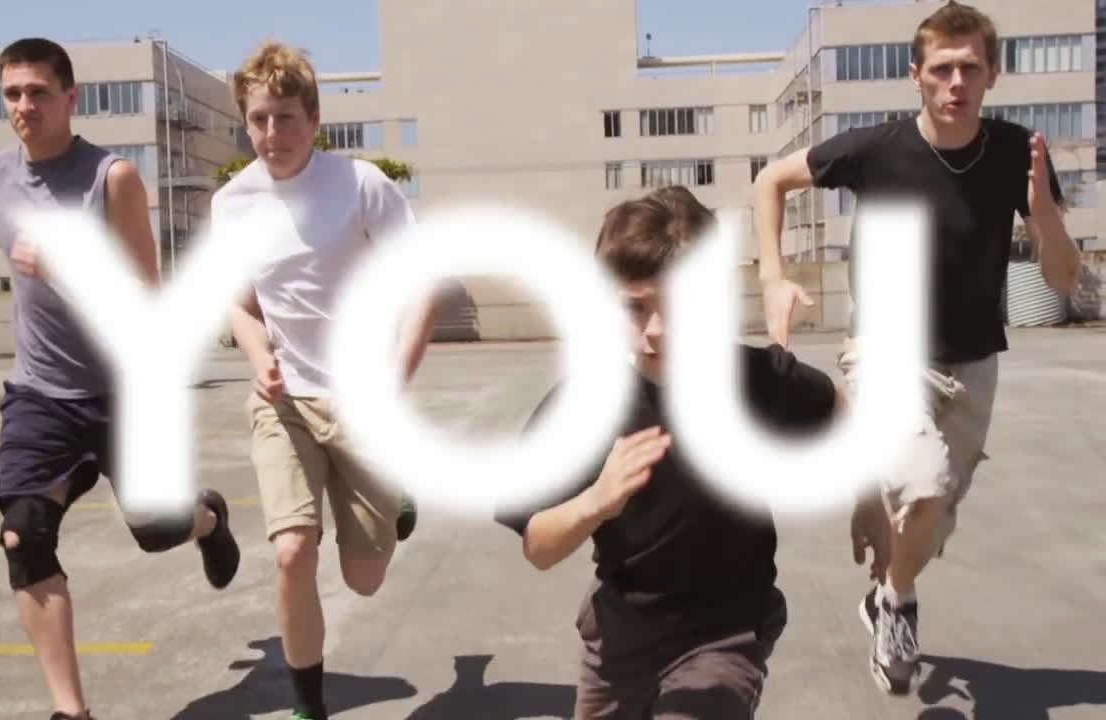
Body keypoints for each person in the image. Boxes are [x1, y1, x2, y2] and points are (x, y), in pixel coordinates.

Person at [751, 1, 1079, 696]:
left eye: (970, 68)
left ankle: (885, 591)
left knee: (930, 521)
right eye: (942, 69)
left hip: (974, 362)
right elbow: (769, 180)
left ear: (992, 74)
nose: (956, 82)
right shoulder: (876, 149)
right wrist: (773, 276)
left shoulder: (1018, 153)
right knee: (924, 483)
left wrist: (1046, 216)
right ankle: (899, 603)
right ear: (916, 75)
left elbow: (1062, 279)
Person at [495, 186, 843, 718]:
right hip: (619, 642)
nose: (656, 330)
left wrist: (872, 504)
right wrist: (595, 501)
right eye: (635, 307)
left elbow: (842, 407)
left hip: (725, 633)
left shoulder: (755, 380)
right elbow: (537, 546)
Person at [0, 38, 242, 720]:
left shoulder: (112, 178)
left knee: (157, 530)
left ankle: (207, 517)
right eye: (12, 93)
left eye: (39, 92)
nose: (24, 105)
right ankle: (71, 711)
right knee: (23, 534)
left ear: (71, 97)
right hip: (40, 394)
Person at [214, 40, 436, 720]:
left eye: (285, 118)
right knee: (291, 552)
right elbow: (237, 304)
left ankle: (396, 490)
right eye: (258, 120)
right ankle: (309, 705)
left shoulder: (362, 186)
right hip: (283, 401)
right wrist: (257, 352)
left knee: (363, 579)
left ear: (313, 119)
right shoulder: (233, 204)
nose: (271, 134)